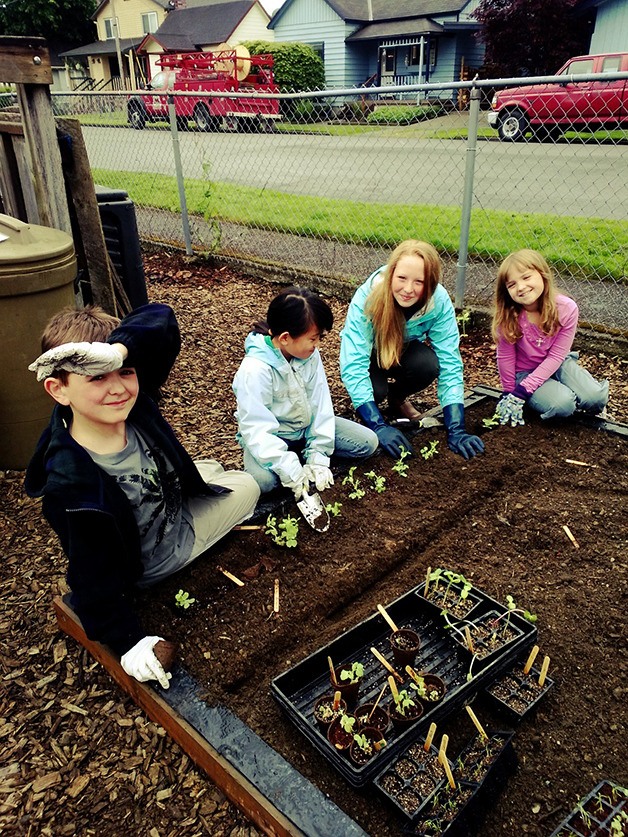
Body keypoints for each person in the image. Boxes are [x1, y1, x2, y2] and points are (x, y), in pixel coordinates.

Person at [25, 303, 260, 689]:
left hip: (163, 496)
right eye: (97, 378)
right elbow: (89, 578)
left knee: (211, 470)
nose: (117, 387)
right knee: (247, 486)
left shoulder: (131, 407)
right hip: (162, 551)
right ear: (58, 388)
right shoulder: (72, 486)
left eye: (125, 371)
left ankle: (199, 482)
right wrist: (128, 642)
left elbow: (162, 319)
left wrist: (118, 351)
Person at [339, 240, 484, 460]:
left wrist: (457, 428)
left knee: (427, 365)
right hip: (370, 355)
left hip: (402, 351)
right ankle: (374, 407)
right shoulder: (369, 296)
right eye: (402, 278)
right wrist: (377, 425)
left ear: (431, 283)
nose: (408, 289)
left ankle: (398, 399)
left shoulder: (438, 302)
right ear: (391, 275)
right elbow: (353, 363)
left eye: (419, 282)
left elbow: (450, 362)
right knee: (375, 391)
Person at [232, 287, 379, 497]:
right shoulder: (255, 370)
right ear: (285, 338)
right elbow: (256, 430)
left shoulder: (310, 356)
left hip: (305, 427)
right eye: (313, 339)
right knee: (263, 483)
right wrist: (289, 469)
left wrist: (319, 456)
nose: (317, 345)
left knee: (367, 443)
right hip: (275, 436)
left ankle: (305, 458)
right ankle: (291, 461)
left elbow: (321, 406)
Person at [492, 249, 609, 426]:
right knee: (563, 405)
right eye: (512, 285)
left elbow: (556, 356)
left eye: (526, 277)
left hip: (558, 364)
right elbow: (505, 357)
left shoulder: (567, 309)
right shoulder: (509, 315)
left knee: (595, 398)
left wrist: (525, 392)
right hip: (525, 373)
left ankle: (552, 392)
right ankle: (548, 397)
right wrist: (512, 393)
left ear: (543, 274)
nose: (521, 287)